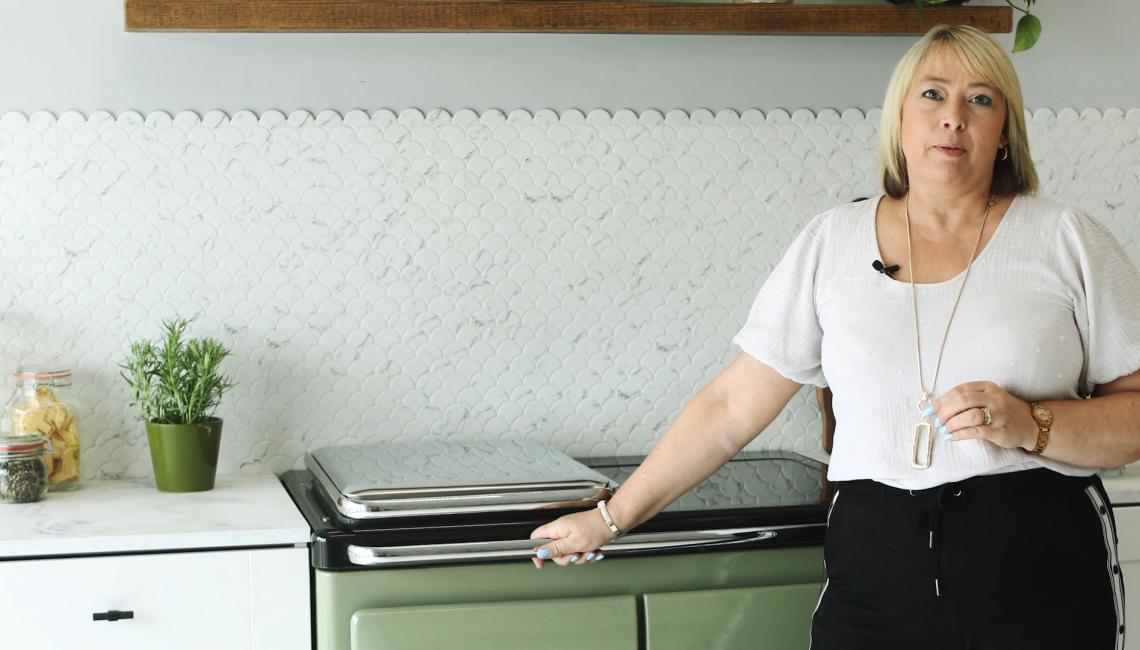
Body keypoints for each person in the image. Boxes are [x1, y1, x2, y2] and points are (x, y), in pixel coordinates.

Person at [529, 23, 1140, 650]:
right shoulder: (832, 241)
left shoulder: (1068, 239)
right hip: (875, 573)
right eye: (932, 94)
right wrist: (609, 518)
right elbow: (730, 408)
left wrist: (1033, 423)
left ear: (1005, 131)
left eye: (980, 99)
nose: (953, 117)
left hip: (1042, 571)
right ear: (899, 118)